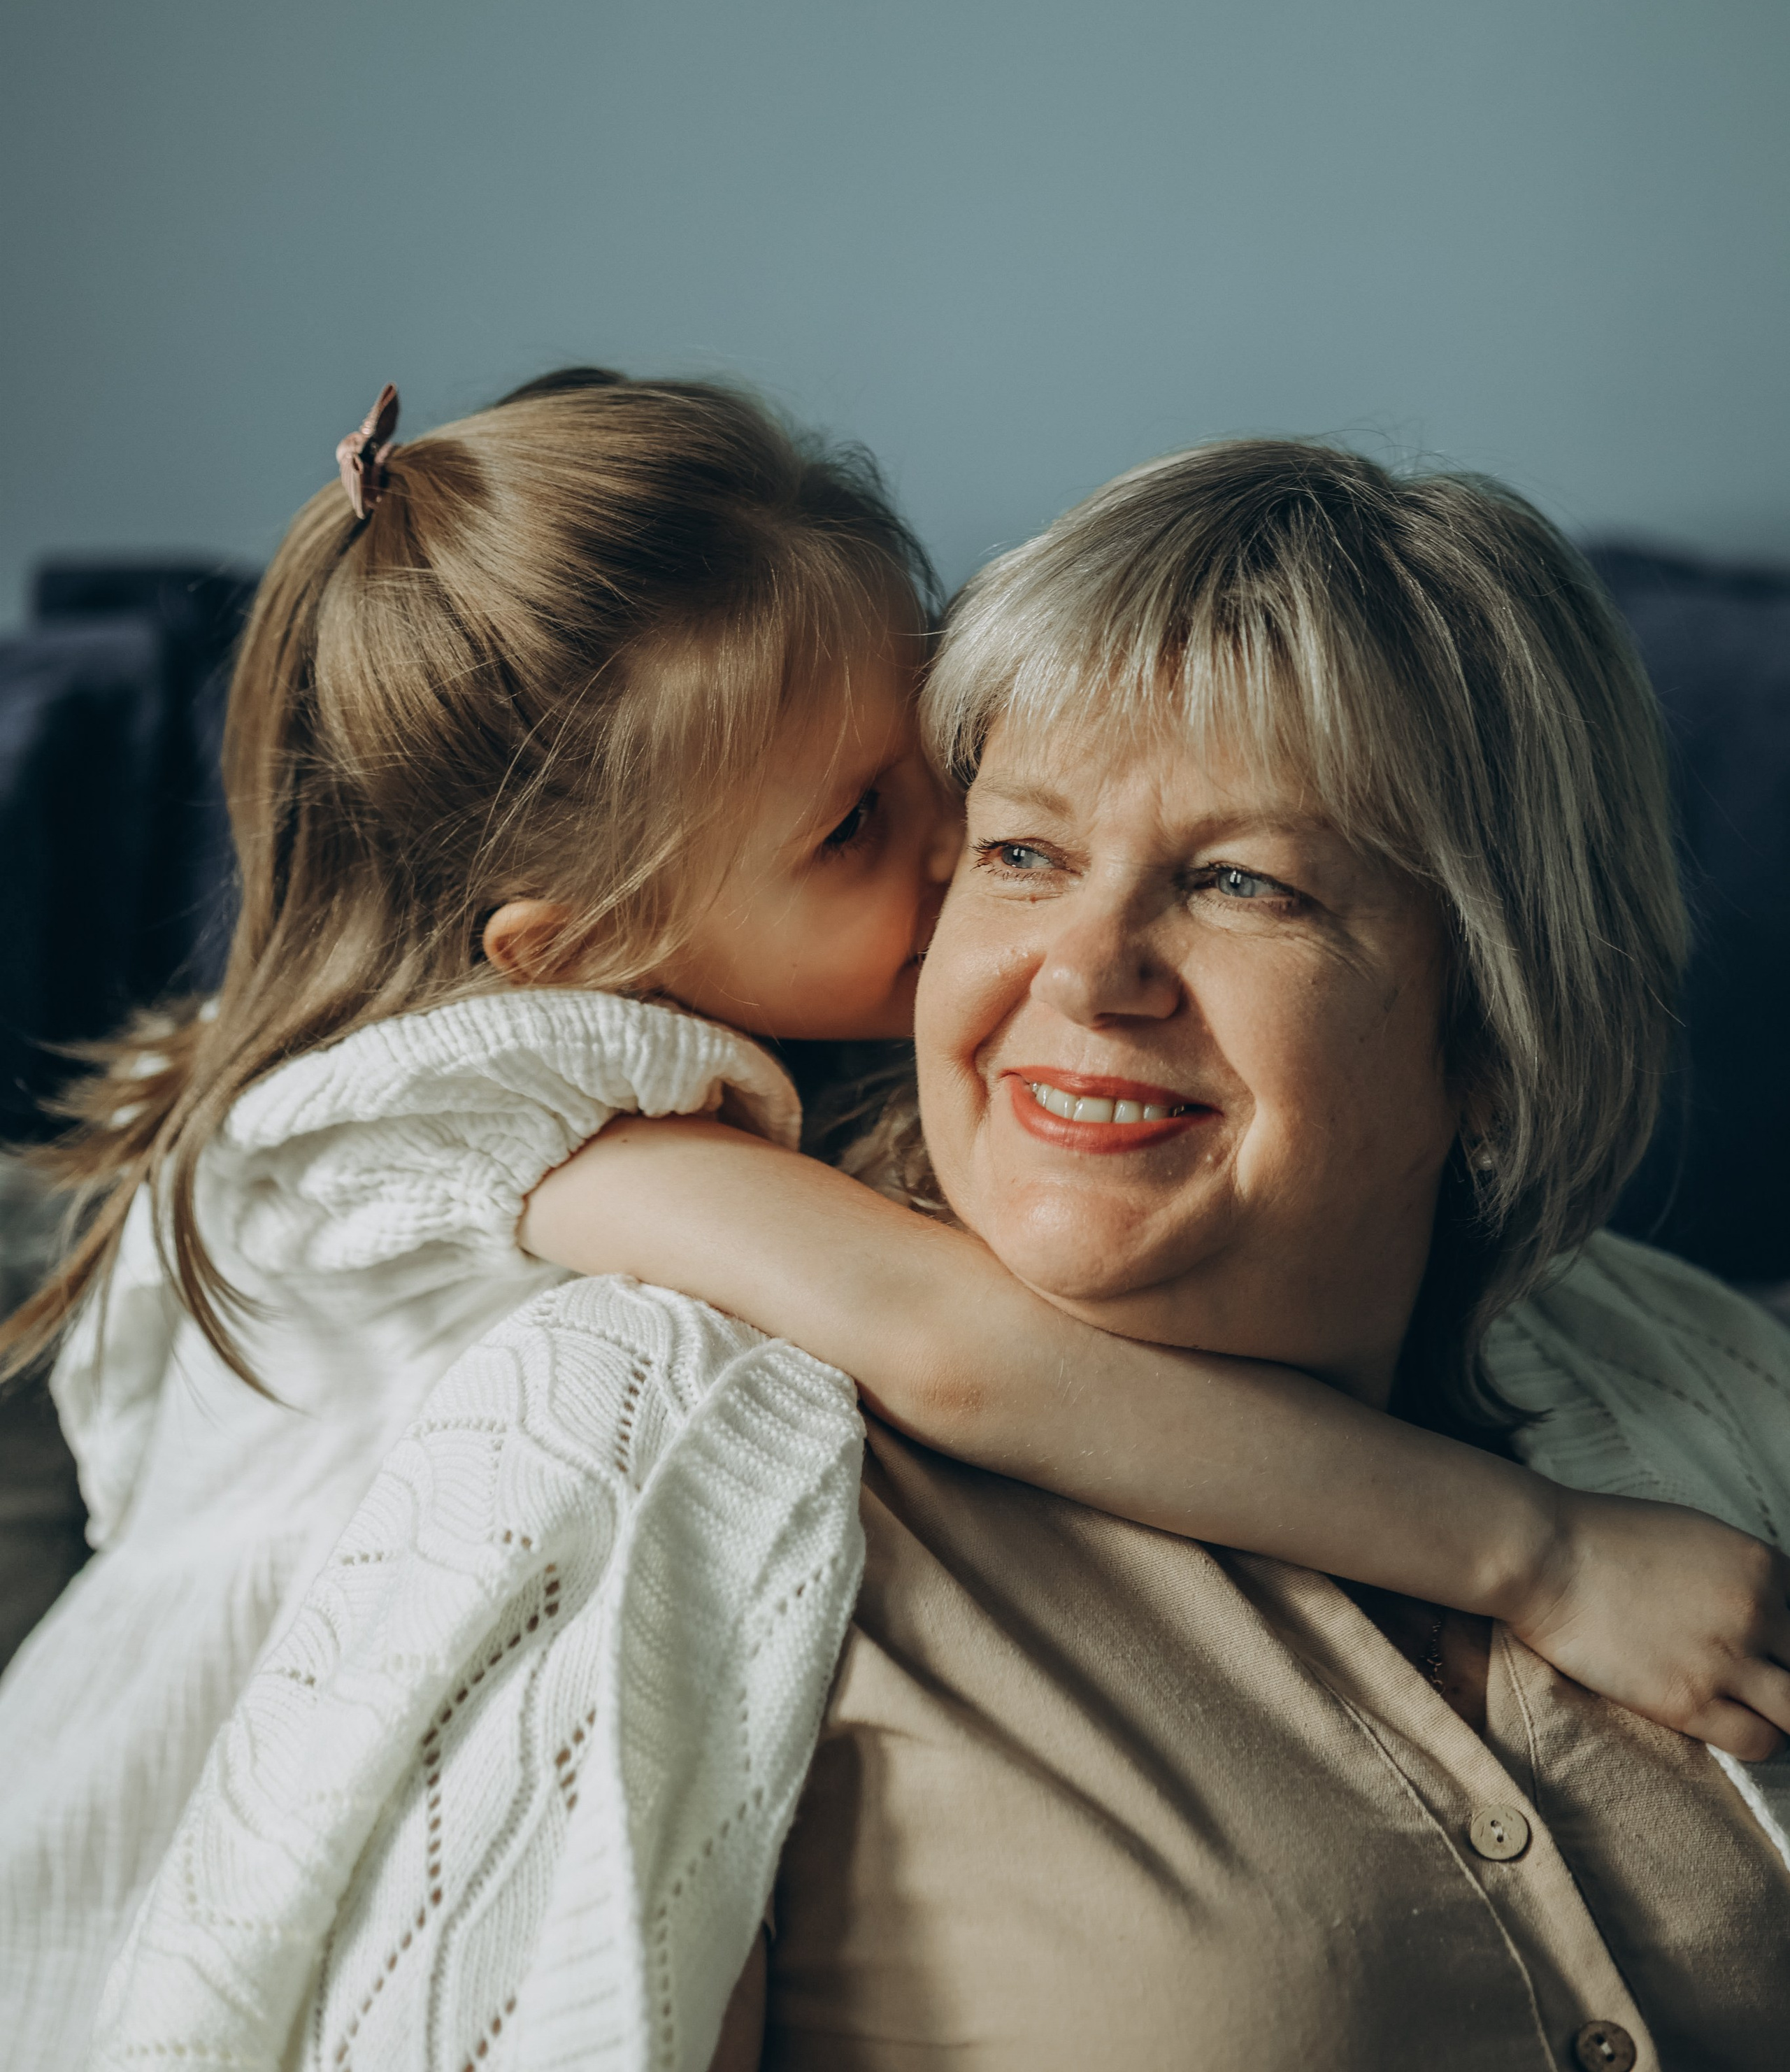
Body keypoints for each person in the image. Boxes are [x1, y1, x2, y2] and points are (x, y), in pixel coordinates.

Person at [59, 415, 1790, 2071]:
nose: (1068, 960)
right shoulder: (589, 1258)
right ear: (578, 938)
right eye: (1016, 845)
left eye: (1243, 881)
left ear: (1496, 1028)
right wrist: (1534, 1552)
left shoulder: (1699, 1379)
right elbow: (950, 1345)